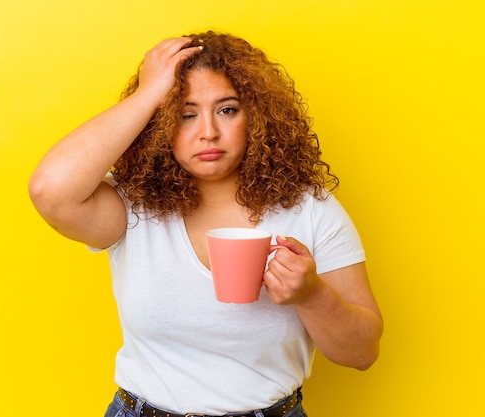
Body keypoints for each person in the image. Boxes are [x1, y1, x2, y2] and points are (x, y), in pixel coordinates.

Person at [29, 31, 383, 417]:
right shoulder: (133, 208)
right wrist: (149, 94)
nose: (208, 131)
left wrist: (312, 295)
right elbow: (50, 190)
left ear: (257, 116)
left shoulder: (310, 210)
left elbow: (362, 353)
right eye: (185, 114)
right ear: (160, 124)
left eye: (227, 109)